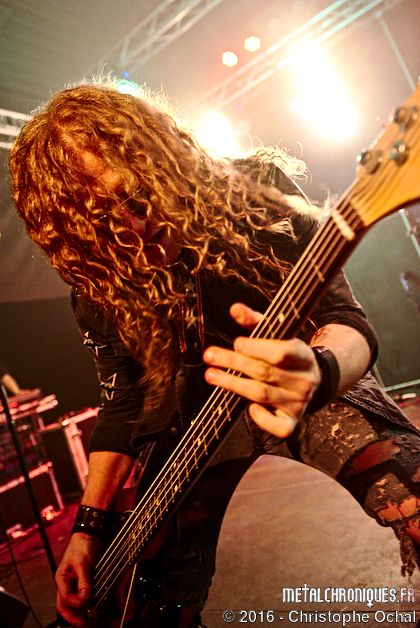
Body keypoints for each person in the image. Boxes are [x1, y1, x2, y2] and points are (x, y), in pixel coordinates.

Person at [8, 79, 420, 628]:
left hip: (297, 381)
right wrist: (86, 528)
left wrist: (320, 370)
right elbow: (123, 406)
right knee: (142, 610)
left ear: (158, 158)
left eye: (135, 195)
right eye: (103, 224)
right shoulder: (100, 282)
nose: (135, 226)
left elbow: (345, 320)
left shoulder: (254, 189)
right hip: (186, 435)